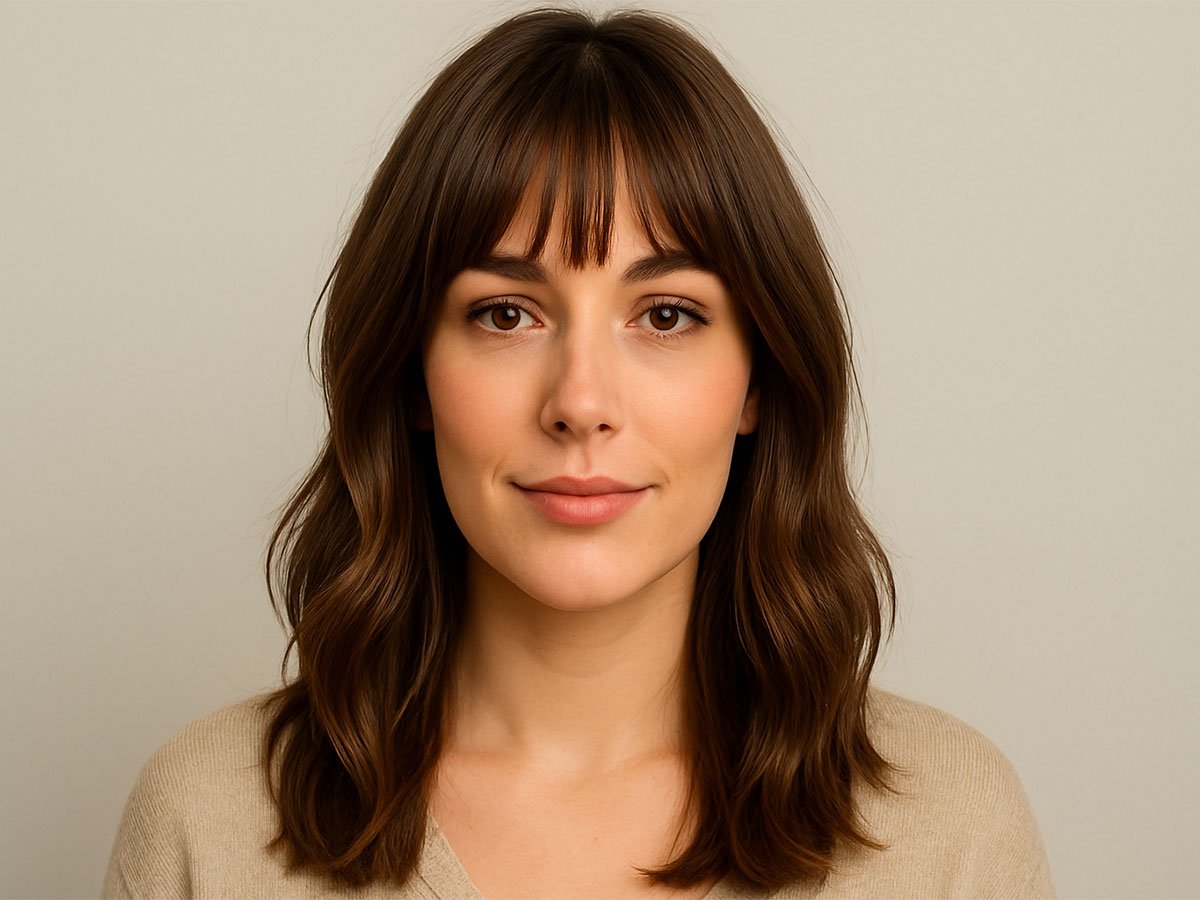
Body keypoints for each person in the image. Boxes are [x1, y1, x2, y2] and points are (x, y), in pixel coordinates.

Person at [102, 6, 1055, 898]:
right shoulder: (211, 823)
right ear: (411, 373)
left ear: (758, 380)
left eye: (667, 315)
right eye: (506, 314)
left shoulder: (944, 835)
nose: (581, 403)